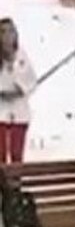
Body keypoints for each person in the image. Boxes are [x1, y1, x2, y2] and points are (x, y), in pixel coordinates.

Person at [0, 18, 37, 163]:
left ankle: (15, 183)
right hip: (1, 111)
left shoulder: (21, 56)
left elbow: (31, 80)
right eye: (3, 32)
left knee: (16, 154)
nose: (7, 36)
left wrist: (20, 88)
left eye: (11, 31)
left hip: (19, 113)